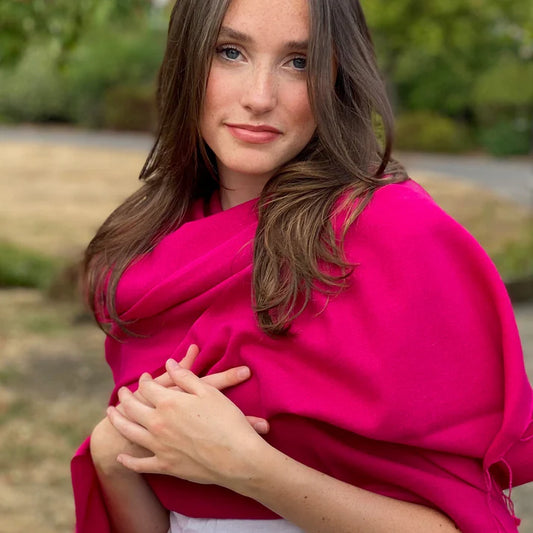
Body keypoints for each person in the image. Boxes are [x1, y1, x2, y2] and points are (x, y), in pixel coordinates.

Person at [72, 0, 533, 531]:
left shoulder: (396, 236)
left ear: (338, 78)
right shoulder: (147, 245)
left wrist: (251, 470)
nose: (260, 97)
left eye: (300, 62)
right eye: (230, 52)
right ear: (186, 61)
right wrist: (113, 459)